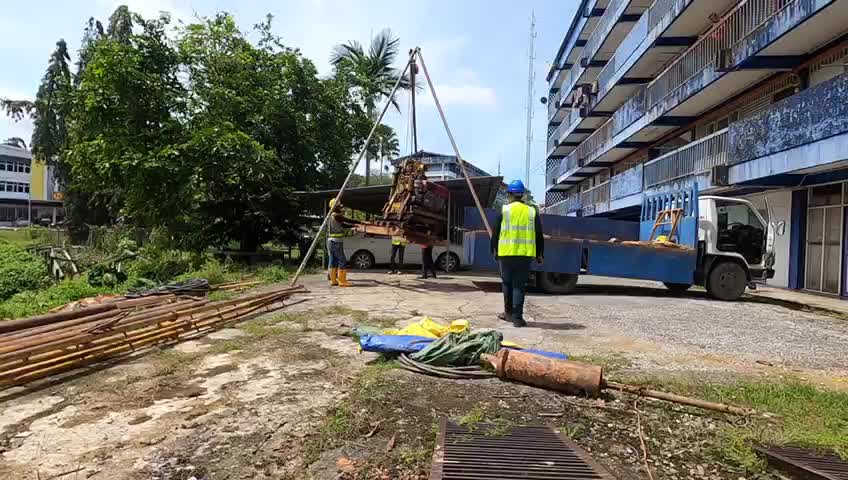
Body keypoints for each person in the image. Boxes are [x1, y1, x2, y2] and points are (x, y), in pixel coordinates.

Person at [491, 180, 544, 328]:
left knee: (507, 283)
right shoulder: (532, 211)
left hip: (506, 254)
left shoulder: (505, 210)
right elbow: (539, 234)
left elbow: (495, 233)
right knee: (519, 286)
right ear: (522, 195)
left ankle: (508, 314)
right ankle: (517, 319)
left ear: (509, 194)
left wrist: (494, 250)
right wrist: (540, 253)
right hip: (525, 255)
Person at [327, 198, 361, 287]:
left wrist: (353, 225)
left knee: (333, 260)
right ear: (335, 207)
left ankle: (333, 280)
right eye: (339, 206)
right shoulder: (337, 216)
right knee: (342, 260)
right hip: (336, 242)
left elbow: (343, 225)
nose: (341, 208)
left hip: (331, 241)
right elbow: (347, 220)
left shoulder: (332, 216)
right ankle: (342, 281)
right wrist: (359, 222)